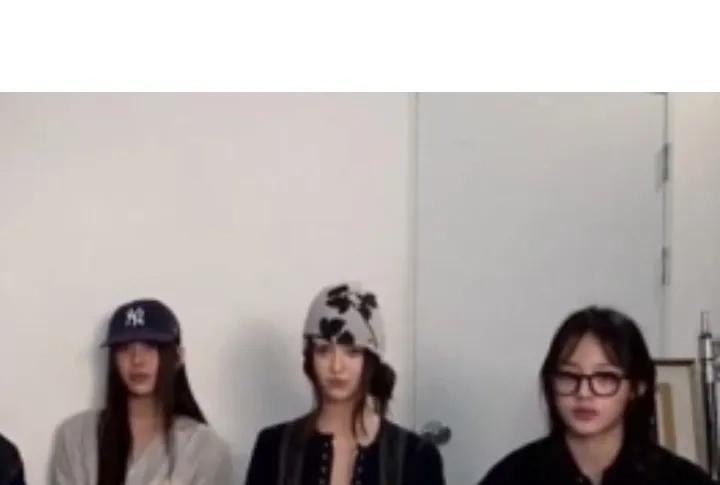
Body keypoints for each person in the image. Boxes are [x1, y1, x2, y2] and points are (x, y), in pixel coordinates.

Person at [477, 306, 716, 485]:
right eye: (569, 376)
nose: (584, 393)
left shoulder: (679, 480)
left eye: (605, 378)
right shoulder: (512, 476)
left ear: (637, 388)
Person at [245, 282, 445, 485]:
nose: (336, 366)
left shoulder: (416, 457)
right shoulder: (273, 448)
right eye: (323, 350)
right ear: (310, 357)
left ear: (371, 359)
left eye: (352, 351)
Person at [50, 298, 233, 485]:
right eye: (125, 348)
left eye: (150, 346)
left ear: (178, 357)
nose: (137, 359)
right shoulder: (76, 436)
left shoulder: (205, 448)